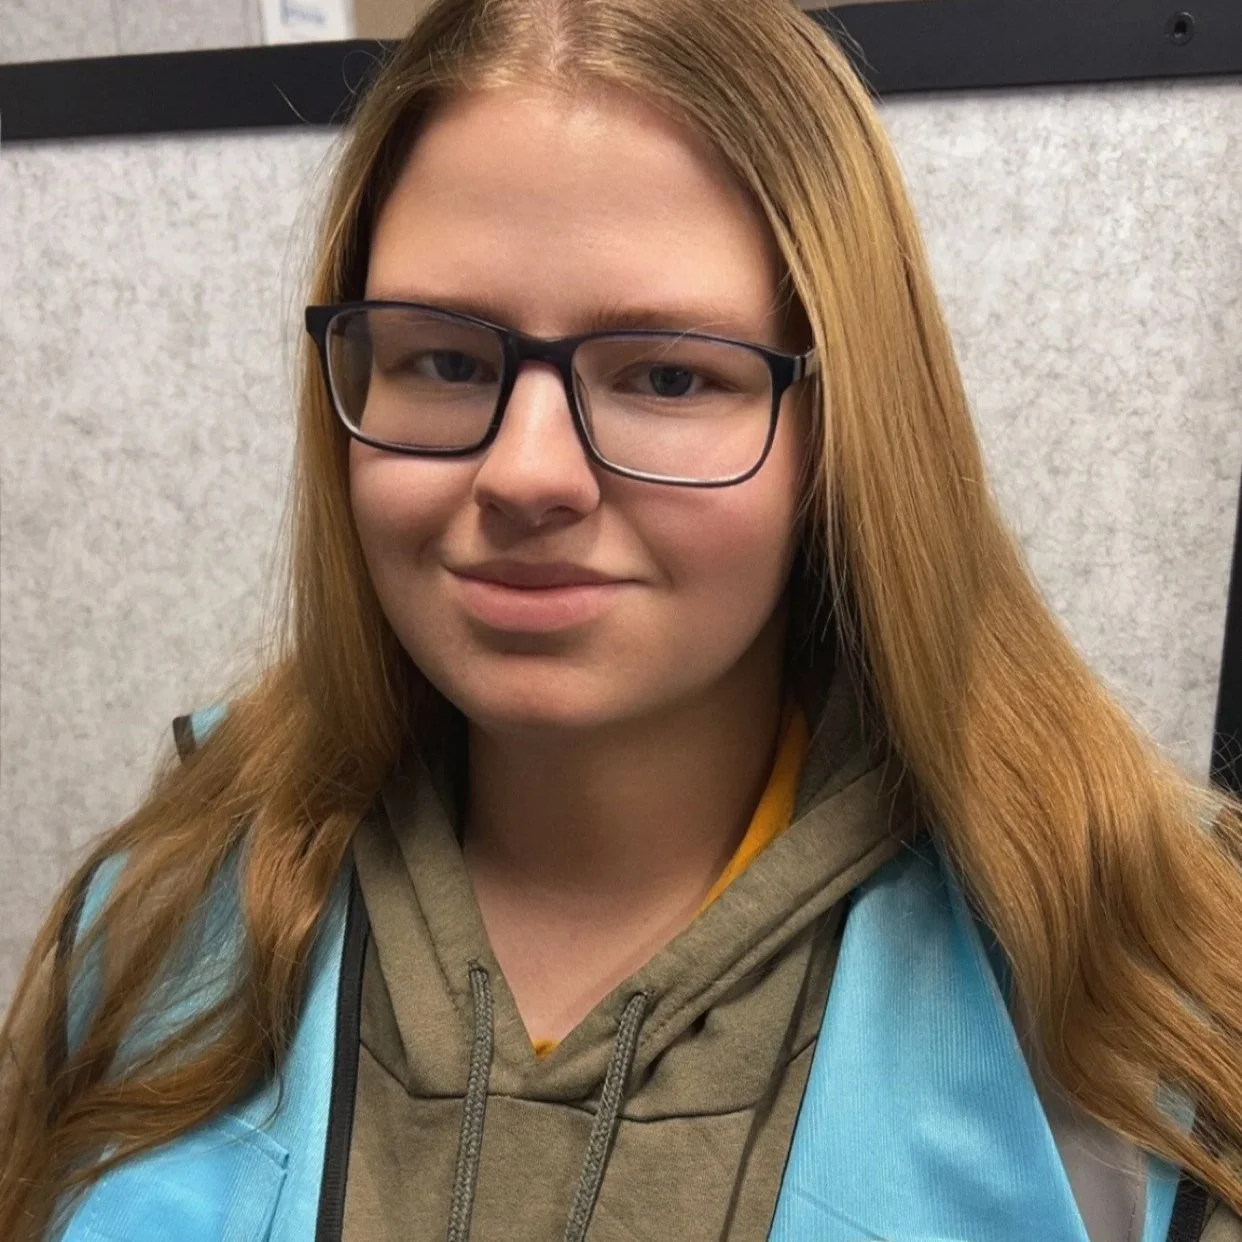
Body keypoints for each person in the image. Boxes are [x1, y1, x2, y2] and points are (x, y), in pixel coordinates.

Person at [3, 0, 1240, 1238]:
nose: (527, 474)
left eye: (666, 374)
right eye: (444, 361)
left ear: (845, 427)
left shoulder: (1132, 991)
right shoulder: (159, 921)